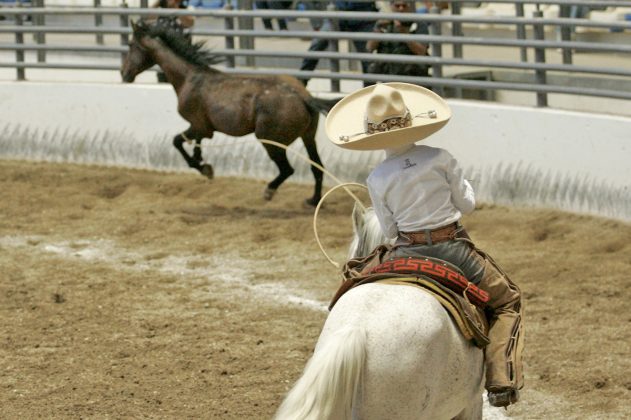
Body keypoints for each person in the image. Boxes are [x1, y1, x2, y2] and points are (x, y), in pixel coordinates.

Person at [325, 82, 524, 408]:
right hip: (453, 250)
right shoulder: (440, 159)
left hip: (406, 251)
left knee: (355, 278)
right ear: (410, 121)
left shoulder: (377, 177)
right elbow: (467, 205)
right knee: (506, 301)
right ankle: (501, 379)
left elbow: (389, 229)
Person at [298, 0, 379, 86]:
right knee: (317, 44)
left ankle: (369, 92)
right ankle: (300, 83)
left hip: (363, 17)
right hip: (337, 13)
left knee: (367, 56)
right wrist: (316, 23)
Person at [365, 0, 430, 85]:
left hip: (411, 75)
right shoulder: (384, 24)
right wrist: (378, 30)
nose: (401, 9)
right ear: (391, 6)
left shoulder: (418, 24)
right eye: (397, 6)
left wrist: (404, 34)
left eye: (404, 5)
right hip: (387, 74)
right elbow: (369, 48)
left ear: (410, 7)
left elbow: (421, 51)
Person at [151, 0, 195, 83]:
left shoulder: (187, 9)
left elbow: (189, 23)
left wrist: (175, 7)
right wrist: (158, 3)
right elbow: (147, 17)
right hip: (164, 62)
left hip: (182, 62)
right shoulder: (160, 10)